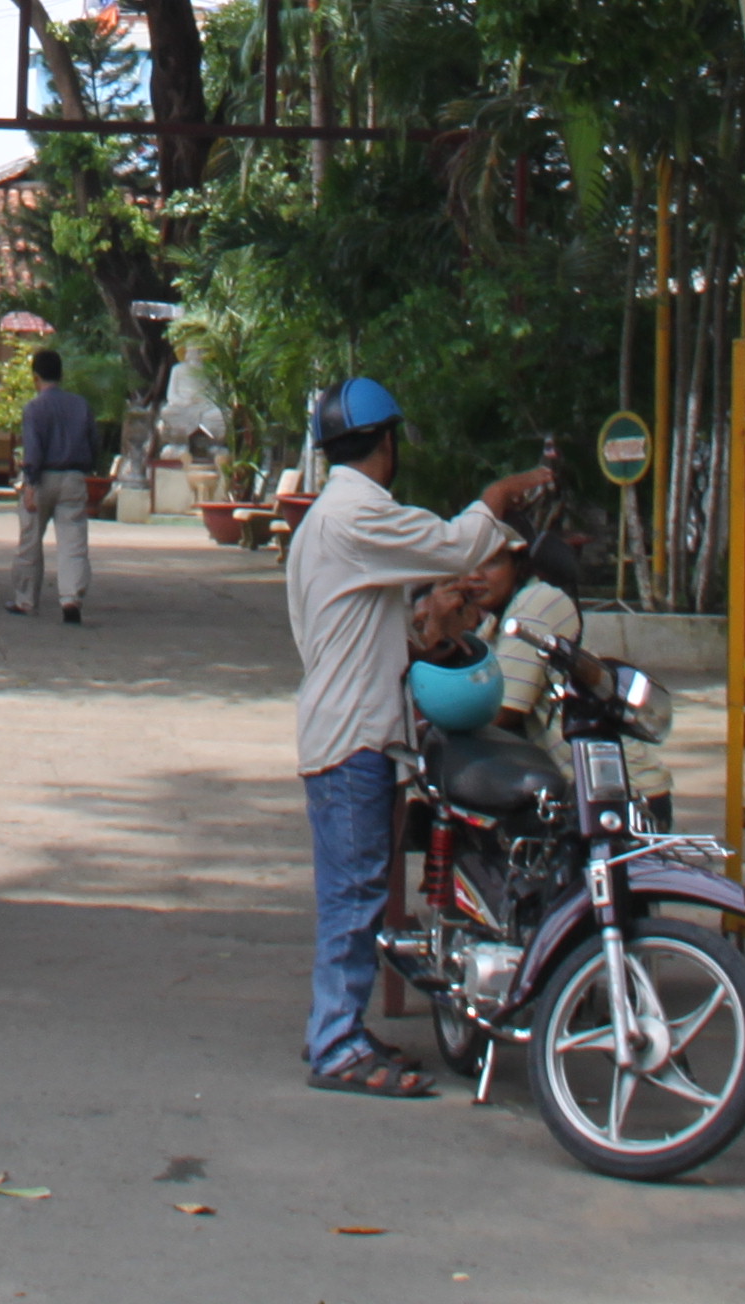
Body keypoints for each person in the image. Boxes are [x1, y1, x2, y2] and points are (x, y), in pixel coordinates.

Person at [284, 377, 558, 1097]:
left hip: (342, 726)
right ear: (386, 443)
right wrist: (500, 497)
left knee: (359, 892)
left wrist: (433, 613)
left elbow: (371, 633)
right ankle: (335, 1043)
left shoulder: (327, 520)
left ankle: (338, 1026)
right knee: (354, 895)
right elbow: (455, 541)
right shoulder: (358, 515)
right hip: (351, 737)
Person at [7, 348, 104, 623]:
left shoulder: (34, 407)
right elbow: (94, 442)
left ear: (35, 377)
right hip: (73, 477)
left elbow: (33, 451)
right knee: (73, 541)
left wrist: (30, 485)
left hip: (42, 478)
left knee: (30, 541)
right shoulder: (80, 405)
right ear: (61, 374)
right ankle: (71, 597)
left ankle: (26, 600)